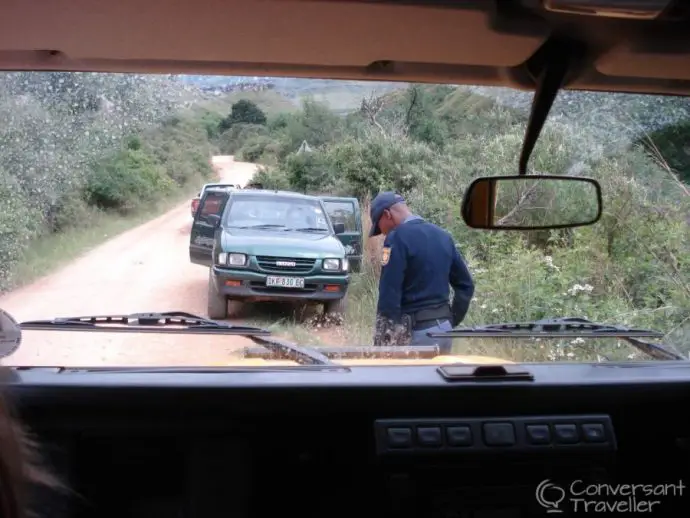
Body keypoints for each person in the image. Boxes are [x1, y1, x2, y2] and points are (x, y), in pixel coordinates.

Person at [370, 191, 474, 355]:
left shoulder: (396, 238)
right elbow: (466, 285)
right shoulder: (443, 236)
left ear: (387, 214)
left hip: (416, 335)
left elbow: (389, 294)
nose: (382, 233)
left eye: (379, 226)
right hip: (444, 332)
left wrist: (383, 342)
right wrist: (451, 319)